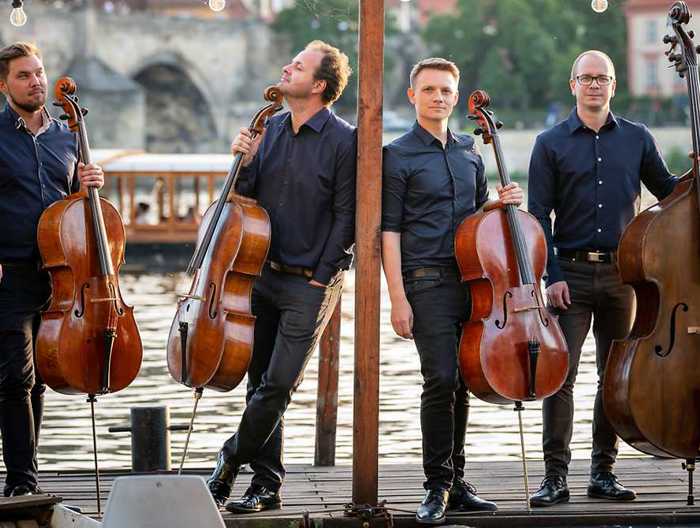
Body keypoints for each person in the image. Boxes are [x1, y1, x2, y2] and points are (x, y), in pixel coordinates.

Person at [206, 40, 356, 513]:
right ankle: (266, 485)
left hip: (310, 283)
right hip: (261, 274)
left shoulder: (345, 141)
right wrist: (243, 163)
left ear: (319, 85)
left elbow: (347, 217)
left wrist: (321, 277)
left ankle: (229, 460)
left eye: (299, 66)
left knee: (279, 384)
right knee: (258, 384)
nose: (287, 68)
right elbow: (245, 200)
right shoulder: (268, 128)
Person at [527, 50, 679, 507]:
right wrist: (550, 276)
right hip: (568, 275)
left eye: (602, 78)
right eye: (586, 77)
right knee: (560, 377)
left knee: (612, 377)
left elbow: (669, 192)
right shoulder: (549, 143)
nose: (594, 84)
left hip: (624, 277)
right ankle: (555, 477)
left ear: (614, 85)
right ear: (573, 84)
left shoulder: (637, 137)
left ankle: (603, 473)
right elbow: (538, 217)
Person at [381, 57, 523, 524]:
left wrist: (499, 203)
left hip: (473, 282)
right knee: (440, 378)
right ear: (412, 96)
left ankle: (457, 482)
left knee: (463, 380)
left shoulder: (469, 151)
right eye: (429, 90)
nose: (437, 97)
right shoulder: (397, 155)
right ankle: (436, 484)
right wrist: (397, 298)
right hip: (425, 281)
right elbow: (389, 231)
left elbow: (477, 217)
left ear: (456, 97)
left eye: (445, 90)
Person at [0, 41, 104, 497]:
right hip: (10, 272)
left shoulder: (68, 134)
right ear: (4, 85)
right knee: (14, 377)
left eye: (39, 72)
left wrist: (90, 185)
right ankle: (20, 482)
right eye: (23, 75)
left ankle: (29, 475)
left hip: (61, 277)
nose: (36, 82)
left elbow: (76, 207)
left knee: (41, 375)